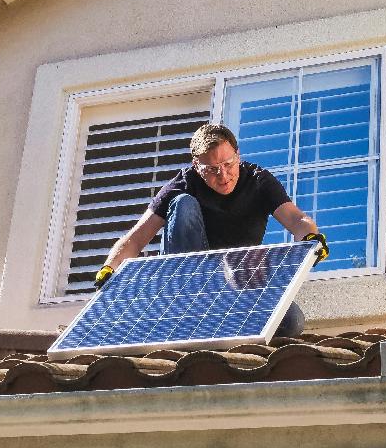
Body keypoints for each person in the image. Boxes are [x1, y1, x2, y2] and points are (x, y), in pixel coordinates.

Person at [93, 123, 328, 337]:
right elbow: (135, 239)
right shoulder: (182, 184)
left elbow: (297, 219)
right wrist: (110, 268)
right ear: (197, 165)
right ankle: (184, 304)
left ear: (238, 155)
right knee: (183, 203)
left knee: (291, 321)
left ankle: (227, 325)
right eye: (213, 169)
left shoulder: (258, 181)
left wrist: (310, 238)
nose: (223, 176)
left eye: (228, 164)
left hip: (238, 286)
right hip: (190, 284)